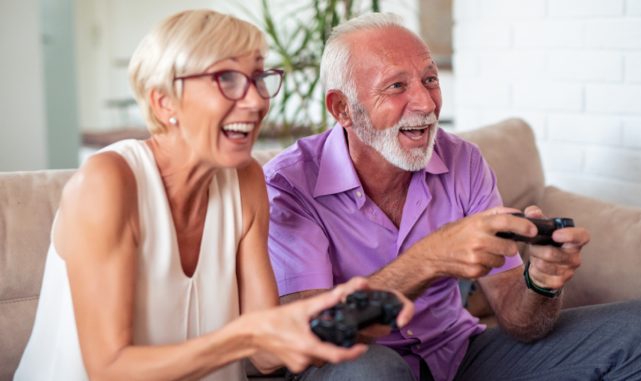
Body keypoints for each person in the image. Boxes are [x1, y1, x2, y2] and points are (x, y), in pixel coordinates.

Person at [263, 12, 641, 381]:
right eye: (396, 86)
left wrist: (542, 284)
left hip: (457, 355)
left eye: (430, 79)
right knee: (375, 370)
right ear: (343, 109)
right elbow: (314, 335)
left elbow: (519, 320)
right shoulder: (289, 184)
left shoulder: (462, 160)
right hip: (353, 364)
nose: (426, 103)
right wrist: (430, 259)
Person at [14, 10, 413, 381]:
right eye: (227, 78)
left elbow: (265, 356)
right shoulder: (109, 182)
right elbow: (109, 368)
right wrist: (246, 335)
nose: (257, 100)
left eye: (258, 79)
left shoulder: (246, 182)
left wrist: (328, 316)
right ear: (164, 100)